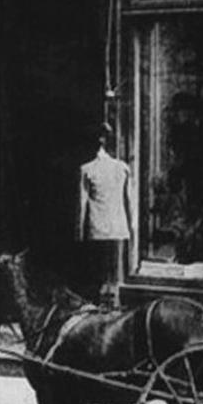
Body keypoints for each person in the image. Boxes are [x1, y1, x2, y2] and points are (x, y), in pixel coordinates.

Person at [77, 122, 134, 306]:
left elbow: (82, 203)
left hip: (97, 228)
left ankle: (100, 304)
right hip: (118, 227)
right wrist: (132, 227)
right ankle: (114, 303)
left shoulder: (87, 169)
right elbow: (130, 202)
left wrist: (78, 232)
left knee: (99, 271)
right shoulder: (123, 168)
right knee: (115, 271)